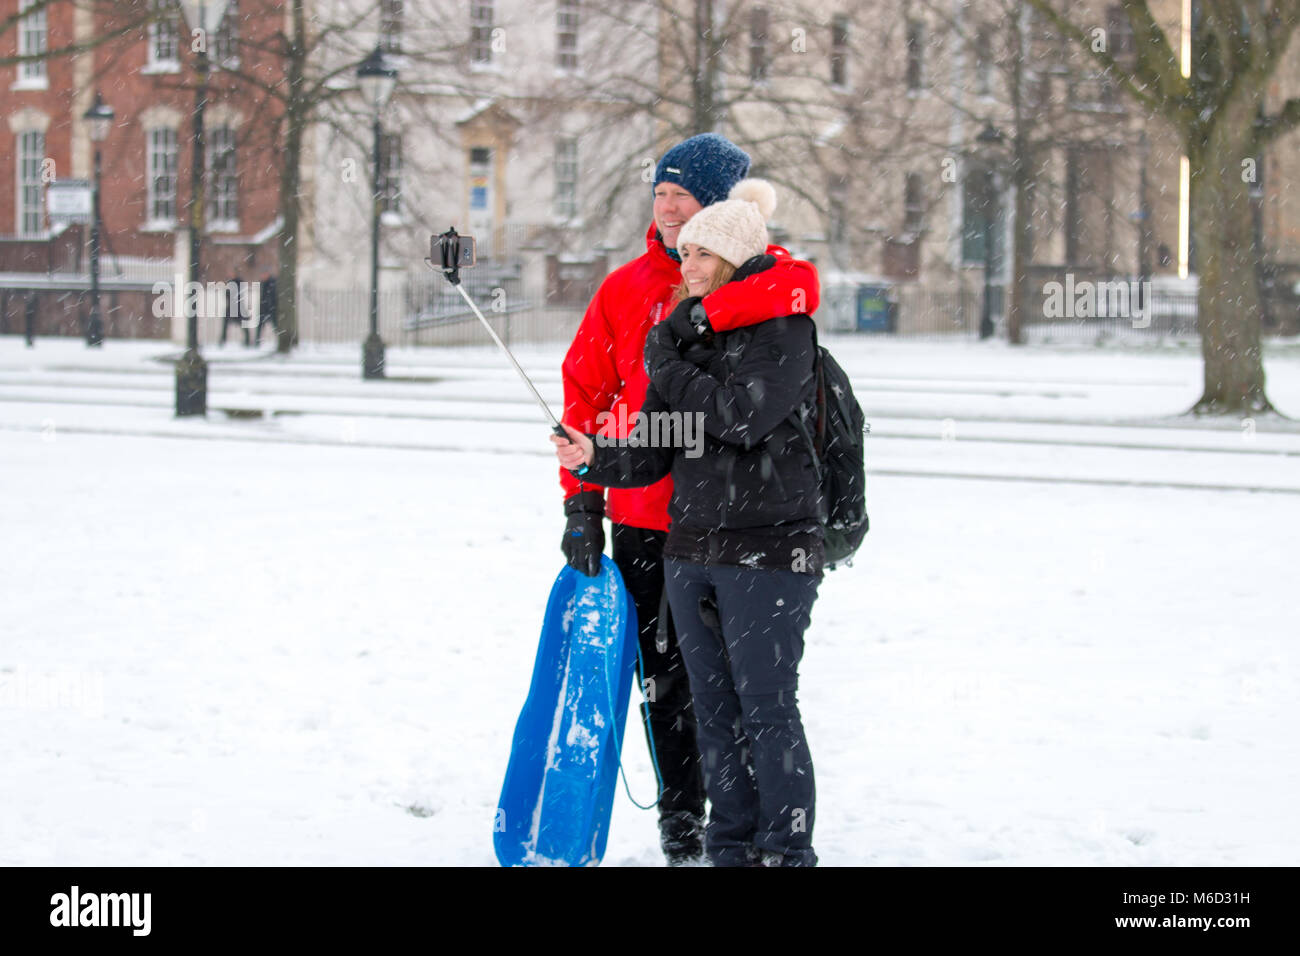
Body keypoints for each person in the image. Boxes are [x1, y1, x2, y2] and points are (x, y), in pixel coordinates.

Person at [558, 134, 820, 865]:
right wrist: (585, 496)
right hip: (660, 528)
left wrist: (671, 356)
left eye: (686, 197)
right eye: (661, 194)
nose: (670, 210)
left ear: (724, 214)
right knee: (673, 690)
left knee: (755, 700)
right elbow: (593, 399)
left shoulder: (767, 295)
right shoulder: (629, 290)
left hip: (750, 532)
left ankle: (770, 840)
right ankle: (690, 823)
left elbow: (748, 409)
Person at [219, 274, 249, 347]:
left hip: (236, 308)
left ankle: (223, 340)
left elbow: (228, 296)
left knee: (242, 325)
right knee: (242, 326)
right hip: (234, 308)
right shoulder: (235, 285)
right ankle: (223, 340)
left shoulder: (236, 285)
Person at [256, 274, 278, 346]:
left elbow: (271, 295)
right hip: (265, 307)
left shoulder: (271, 283)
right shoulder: (264, 283)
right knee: (261, 325)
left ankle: (278, 339)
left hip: (270, 308)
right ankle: (257, 341)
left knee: (275, 325)